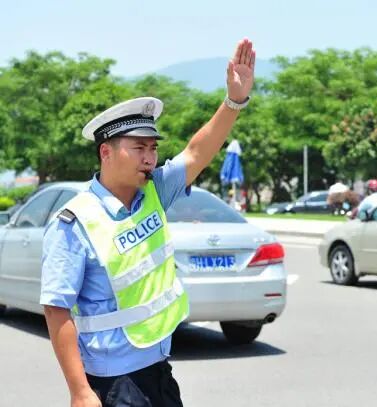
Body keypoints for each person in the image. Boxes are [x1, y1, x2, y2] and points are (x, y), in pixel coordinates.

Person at [40, 38, 255, 407]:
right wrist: (80, 391)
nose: (149, 158)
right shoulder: (75, 222)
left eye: (153, 148)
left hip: (158, 369)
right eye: (139, 148)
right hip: (112, 381)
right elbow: (56, 309)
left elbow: (197, 151)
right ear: (106, 152)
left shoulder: (154, 191)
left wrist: (233, 101)